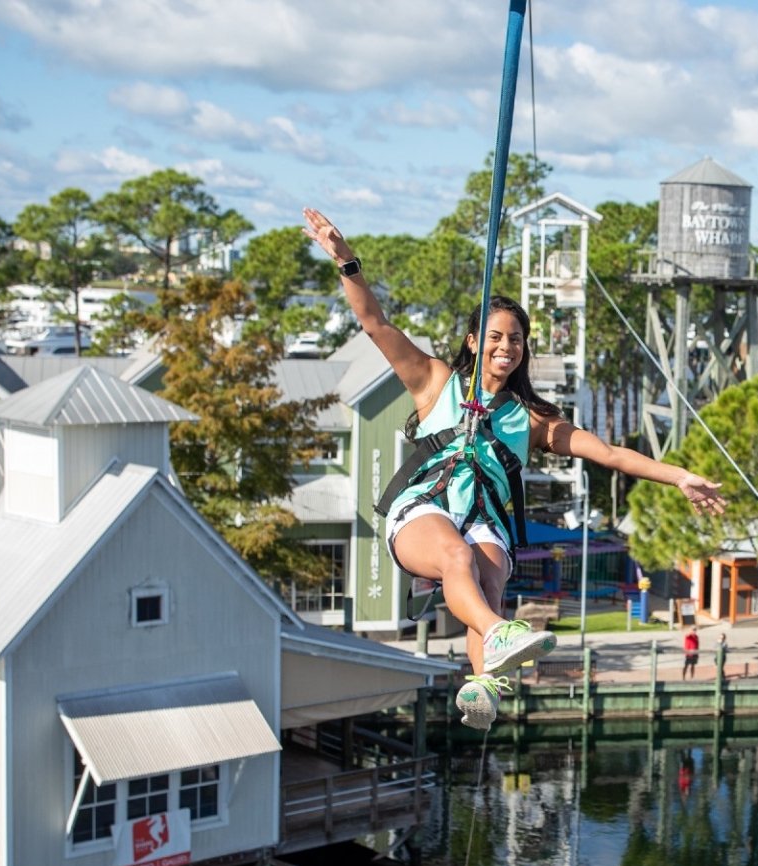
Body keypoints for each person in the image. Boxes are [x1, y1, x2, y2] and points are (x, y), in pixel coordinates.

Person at [303, 207, 725, 730]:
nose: (507, 347)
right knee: (457, 555)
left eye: (516, 340)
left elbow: (611, 455)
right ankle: (499, 632)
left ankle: (480, 686)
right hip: (425, 508)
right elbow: (376, 323)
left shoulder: (530, 419)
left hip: (483, 518)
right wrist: (347, 263)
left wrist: (679, 474)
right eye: (497, 337)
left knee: (492, 574)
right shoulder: (435, 381)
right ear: (475, 342)